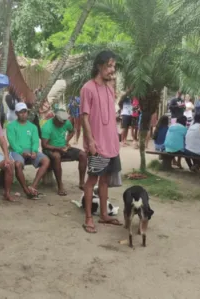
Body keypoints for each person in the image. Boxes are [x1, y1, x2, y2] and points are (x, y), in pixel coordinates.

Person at [80, 50, 122, 234]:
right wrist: (90, 142)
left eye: (114, 66)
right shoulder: (87, 88)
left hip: (111, 144)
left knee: (105, 180)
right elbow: (85, 118)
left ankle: (104, 214)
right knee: (92, 180)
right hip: (97, 145)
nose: (112, 70)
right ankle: (89, 218)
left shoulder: (110, 89)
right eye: (109, 66)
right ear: (99, 66)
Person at [7, 102, 50, 199]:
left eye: (25, 112)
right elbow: (12, 142)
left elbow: (35, 141)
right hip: (16, 151)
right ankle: (26, 190)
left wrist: (34, 151)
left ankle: (33, 186)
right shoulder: (11, 126)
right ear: (17, 114)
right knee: (17, 164)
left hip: (30, 151)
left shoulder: (32, 127)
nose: (23, 114)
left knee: (46, 160)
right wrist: (22, 152)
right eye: (21, 112)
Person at [41, 109, 87, 195]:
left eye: (64, 122)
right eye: (61, 122)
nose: (63, 124)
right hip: (50, 149)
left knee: (83, 155)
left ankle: (82, 183)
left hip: (63, 147)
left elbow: (72, 131)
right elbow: (44, 145)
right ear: (56, 119)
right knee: (56, 157)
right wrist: (58, 148)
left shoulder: (66, 122)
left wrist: (66, 141)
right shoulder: (47, 127)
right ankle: (60, 186)